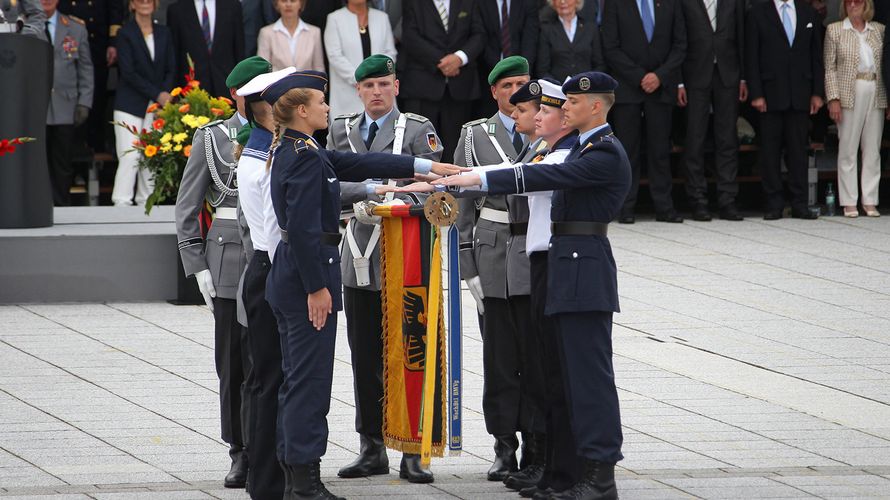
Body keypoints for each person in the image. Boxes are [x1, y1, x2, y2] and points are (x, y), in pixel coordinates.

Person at [417, 71, 630, 500]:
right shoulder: (580, 148)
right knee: (563, 376)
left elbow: (537, 178)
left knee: (589, 379)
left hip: (582, 271)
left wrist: (474, 180)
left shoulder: (602, 152)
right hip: (567, 267)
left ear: (596, 107)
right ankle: (568, 471)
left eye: (571, 103)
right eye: (563, 101)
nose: (565, 107)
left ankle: (600, 476)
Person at [259, 69, 462, 499]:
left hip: (297, 272)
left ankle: (293, 473)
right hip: (305, 276)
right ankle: (303, 481)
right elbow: (299, 226)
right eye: (320, 101)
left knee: (300, 378)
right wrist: (317, 287)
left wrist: (423, 167)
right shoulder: (302, 155)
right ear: (301, 110)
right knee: (308, 382)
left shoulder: (304, 148)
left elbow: (361, 162)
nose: (327, 107)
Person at [326, 54, 444, 484]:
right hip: (358, 253)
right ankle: (371, 445)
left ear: (396, 86)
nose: (376, 92)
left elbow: (435, 190)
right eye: (368, 86)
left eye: (383, 84)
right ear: (357, 90)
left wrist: (390, 204)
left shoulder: (416, 128)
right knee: (364, 355)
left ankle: (414, 448)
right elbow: (328, 184)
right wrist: (358, 200)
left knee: (411, 352)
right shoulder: (340, 129)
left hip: (405, 253)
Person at [175, 56, 271, 489]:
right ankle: (241, 449)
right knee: (234, 360)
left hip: (274, 252)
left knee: (272, 359)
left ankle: (275, 445)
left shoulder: (288, 131)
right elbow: (189, 205)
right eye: (252, 89)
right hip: (230, 255)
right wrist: (196, 263)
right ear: (236, 94)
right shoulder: (213, 138)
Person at [453, 55, 534, 482]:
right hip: (494, 252)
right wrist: (469, 270)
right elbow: (460, 210)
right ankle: (505, 444)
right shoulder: (473, 134)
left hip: (532, 250)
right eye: (508, 86)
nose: (517, 92)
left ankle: (538, 441)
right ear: (494, 92)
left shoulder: (546, 127)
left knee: (535, 353)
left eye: (524, 83)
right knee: (500, 357)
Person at [234, 66, 296, 500]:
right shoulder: (264, 160)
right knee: (270, 380)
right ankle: (269, 481)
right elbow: (275, 232)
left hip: (265, 266)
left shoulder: (265, 149)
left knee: (267, 378)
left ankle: (271, 477)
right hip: (272, 267)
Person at [601, 0, 686, 224]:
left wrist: (659, 75)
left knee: (660, 150)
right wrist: (639, 76)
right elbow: (610, 46)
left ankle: (664, 207)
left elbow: (680, 45)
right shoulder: (615, 4)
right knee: (628, 151)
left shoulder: (670, 4)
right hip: (628, 88)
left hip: (661, 87)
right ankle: (626, 207)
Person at [746, 0, 825, 219]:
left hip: (800, 92)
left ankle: (800, 203)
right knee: (770, 152)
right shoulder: (757, 13)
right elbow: (751, 56)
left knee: (798, 151)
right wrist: (757, 93)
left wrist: (817, 92)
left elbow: (816, 56)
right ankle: (774, 203)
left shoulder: (807, 12)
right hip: (770, 94)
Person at [676, 0, 747, 221]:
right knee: (695, 138)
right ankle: (698, 200)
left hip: (728, 73)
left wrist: (743, 77)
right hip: (695, 74)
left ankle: (727, 200)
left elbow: (742, 37)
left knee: (727, 138)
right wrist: (679, 82)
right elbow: (678, 39)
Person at [399, 0, 485, 162]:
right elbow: (410, 36)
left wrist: (460, 58)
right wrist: (442, 61)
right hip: (422, 86)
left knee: (456, 147)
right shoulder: (413, 3)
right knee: (422, 146)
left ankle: (453, 184)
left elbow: (479, 34)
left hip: (460, 86)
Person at [112, 0, 176, 207]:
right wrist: (158, 94)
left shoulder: (164, 32)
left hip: (155, 106)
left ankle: (146, 204)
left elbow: (170, 68)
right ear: (132, 4)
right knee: (130, 156)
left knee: (150, 159)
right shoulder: (125, 33)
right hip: (129, 105)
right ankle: (121, 203)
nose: (145, 2)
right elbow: (128, 72)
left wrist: (163, 95)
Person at [825, 0, 885, 217]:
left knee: (872, 148)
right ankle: (849, 200)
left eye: (857, 1)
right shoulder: (835, 30)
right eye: (848, 1)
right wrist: (833, 98)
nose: (852, 5)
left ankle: (870, 200)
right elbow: (829, 67)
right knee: (848, 147)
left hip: (875, 89)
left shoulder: (878, 30)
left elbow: (885, 65)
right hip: (849, 91)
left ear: (866, 4)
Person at [43, 0, 94, 206]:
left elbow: (85, 68)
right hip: (35, 107)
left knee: (62, 162)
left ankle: (61, 206)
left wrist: (85, 102)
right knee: (37, 163)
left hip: (65, 106)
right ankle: (39, 205)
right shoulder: (24, 26)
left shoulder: (74, 27)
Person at [58, 0, 123, 153]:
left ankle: (95, 145)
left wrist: (113, 42)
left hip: (98, 42)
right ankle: (74, 150)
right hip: (69, 39)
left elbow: (115, 9)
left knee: (97, 96)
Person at [324, 0, 396, 118]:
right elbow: (334, 56)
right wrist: (360, 78)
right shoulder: (335, 18)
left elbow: (390, 52)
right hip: (347, 95)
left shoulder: (382, 17)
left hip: (381, 92)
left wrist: (377, 78)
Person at [167, 0, 244, 98]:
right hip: (192, 91)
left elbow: (239, 50)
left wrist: (240, 86)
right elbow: (174, 55)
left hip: (227, 87)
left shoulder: (233, 6)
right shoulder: (176, 10)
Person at [476, 0, 539, 117]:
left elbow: (530, 40)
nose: (513, 91)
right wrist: (502, 70)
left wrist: (521, 72)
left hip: (521, 71)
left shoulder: (527, 3)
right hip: (486, 73)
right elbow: (480, 37)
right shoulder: (480, 3)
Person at [537, 0, 605, 82]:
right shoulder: (546, 30)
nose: (562, 2)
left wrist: (588, 84)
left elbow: (600, 65)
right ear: (553, 3)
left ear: (577, 1)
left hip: (587, 89)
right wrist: (558, 88)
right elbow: (542, 70)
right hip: (558, 91)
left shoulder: (591, 28)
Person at [257, 0, 324, 72]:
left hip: (308, 83)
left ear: (301, 4)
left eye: (293, 1)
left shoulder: (314, 32)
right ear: (277, 4)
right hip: (278, 83)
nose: (288, 4)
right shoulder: (266, 33)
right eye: (283, 1)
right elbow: (262, 69)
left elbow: (319, 68)